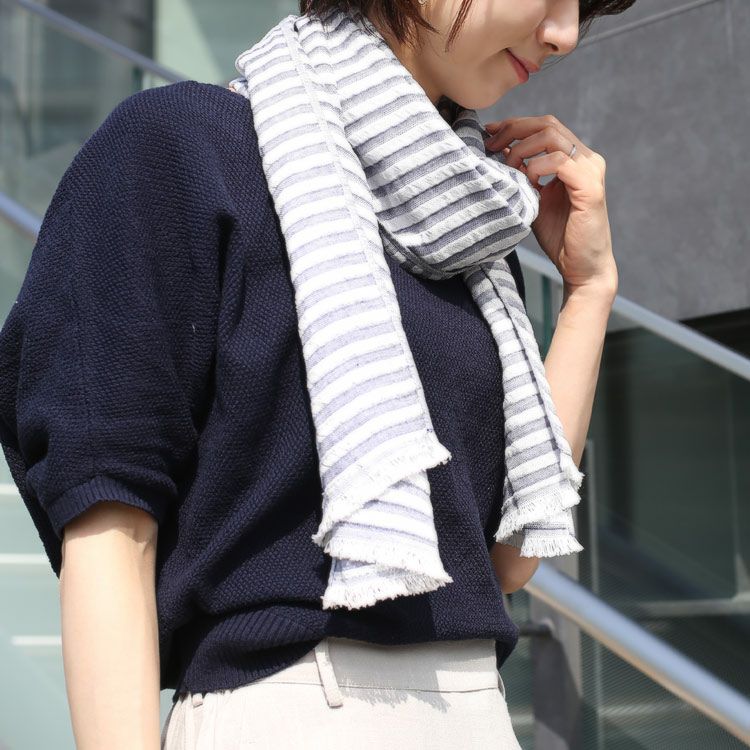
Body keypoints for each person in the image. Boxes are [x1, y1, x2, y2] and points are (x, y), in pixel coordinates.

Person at [0, 0, 632, 747]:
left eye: (584, 9)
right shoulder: (182, 148)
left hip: (475, 712)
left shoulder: (466, 230)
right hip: (291, 708)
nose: (564, 34)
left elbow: (507, 558)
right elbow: (111, 526)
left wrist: (589, 292)